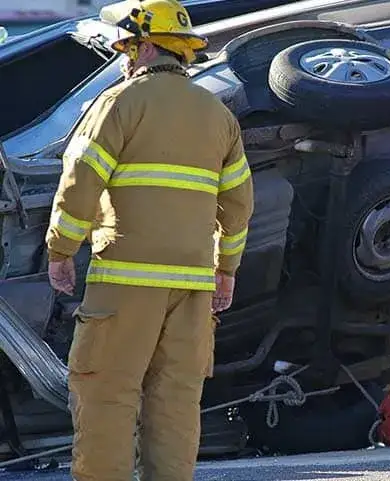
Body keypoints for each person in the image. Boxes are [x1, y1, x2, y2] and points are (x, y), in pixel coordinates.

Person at [45, 1, 255, 480]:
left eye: (125, 47)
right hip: (192, 287)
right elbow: (239, 204)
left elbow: (81, 179)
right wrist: (226, 270)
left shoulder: (118, 103)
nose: (122, 58)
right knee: (176, 401)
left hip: (125, 280)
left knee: (106, 392)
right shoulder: (217, 114)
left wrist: (61, 251)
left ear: (145, 47)